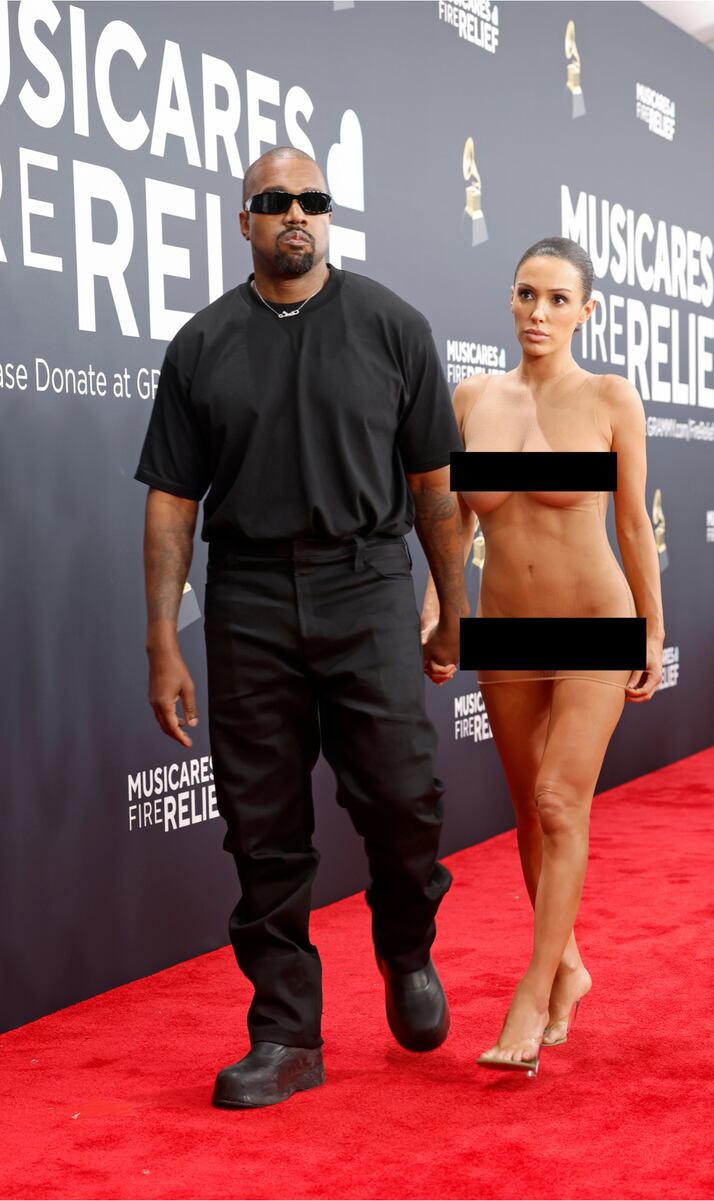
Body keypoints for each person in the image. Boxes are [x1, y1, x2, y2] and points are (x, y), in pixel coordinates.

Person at [135, 147, 468, 1108]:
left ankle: (405, 943)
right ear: (244, 220)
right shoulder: (202, 343)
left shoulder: (393, 327)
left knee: (403, 795)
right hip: (246, 597)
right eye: (274, 200)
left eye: (312, 200)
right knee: (262, 825)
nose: (295, 213)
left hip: (367, 582)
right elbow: (172, 504)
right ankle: (286, 1033)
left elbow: (435, 489)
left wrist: (452, 610)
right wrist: (162, 638)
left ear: (329, 215)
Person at [422, 236, 664, 1073]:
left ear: (586, 311)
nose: (539, 312)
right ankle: (569, 967)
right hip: (505, 626)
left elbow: (632, 521)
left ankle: (531, 989)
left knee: (562, 800)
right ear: (511, 298)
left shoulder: (608, 396)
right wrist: (440, 611)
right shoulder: (473, 397)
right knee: (530, 810)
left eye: (559, 299)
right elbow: (456, 521)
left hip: (596, 620)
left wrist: (653, 628)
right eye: (528, 294)